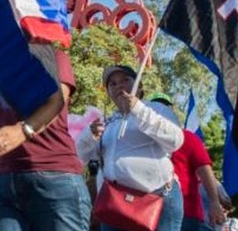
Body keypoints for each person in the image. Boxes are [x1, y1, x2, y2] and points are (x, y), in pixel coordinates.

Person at [0, 50, 91, 231]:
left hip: (54, 178)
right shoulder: (2, 70)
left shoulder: (54, 56)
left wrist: (23, 131)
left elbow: (58, 99)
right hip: (6, 183)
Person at [76, 65, 185, 231]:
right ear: (109, 93)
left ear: (139, 85)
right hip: (115, 205)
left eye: (125, 80)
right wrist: (88, 136)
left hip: (158, 200)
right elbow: (78, 156)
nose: (119, 86)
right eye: (112, 84)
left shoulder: (157, 109)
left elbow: (175, 140)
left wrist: (138, 110)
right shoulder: (107, 122)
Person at [146, 93, 225, 231]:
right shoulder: (142, 140)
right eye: (156, 107)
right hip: (148, 212)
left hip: (186, 214)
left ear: (171, 110)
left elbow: (205, 171)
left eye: (165, 107)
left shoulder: (187, 138)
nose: (161, 110)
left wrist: (214, 202)